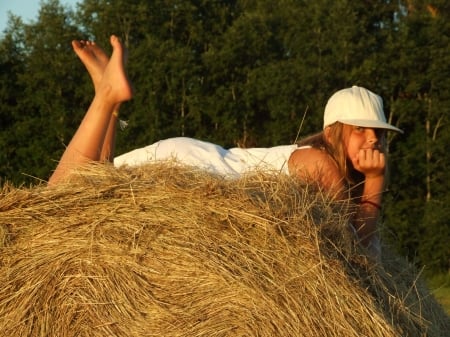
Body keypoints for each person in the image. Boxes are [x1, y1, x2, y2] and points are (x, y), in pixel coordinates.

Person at [48, 35, 403, 259]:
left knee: (95, 183)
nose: (373, 139)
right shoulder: (321, 165)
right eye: (361, 130)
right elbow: (355, 256)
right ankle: (108, 95)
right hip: (192, 169)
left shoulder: (312, 159)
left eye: (380, 133)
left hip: (195, 160)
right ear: (332, 133)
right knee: (58, 198)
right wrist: (375, 181)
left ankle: (107, 99)